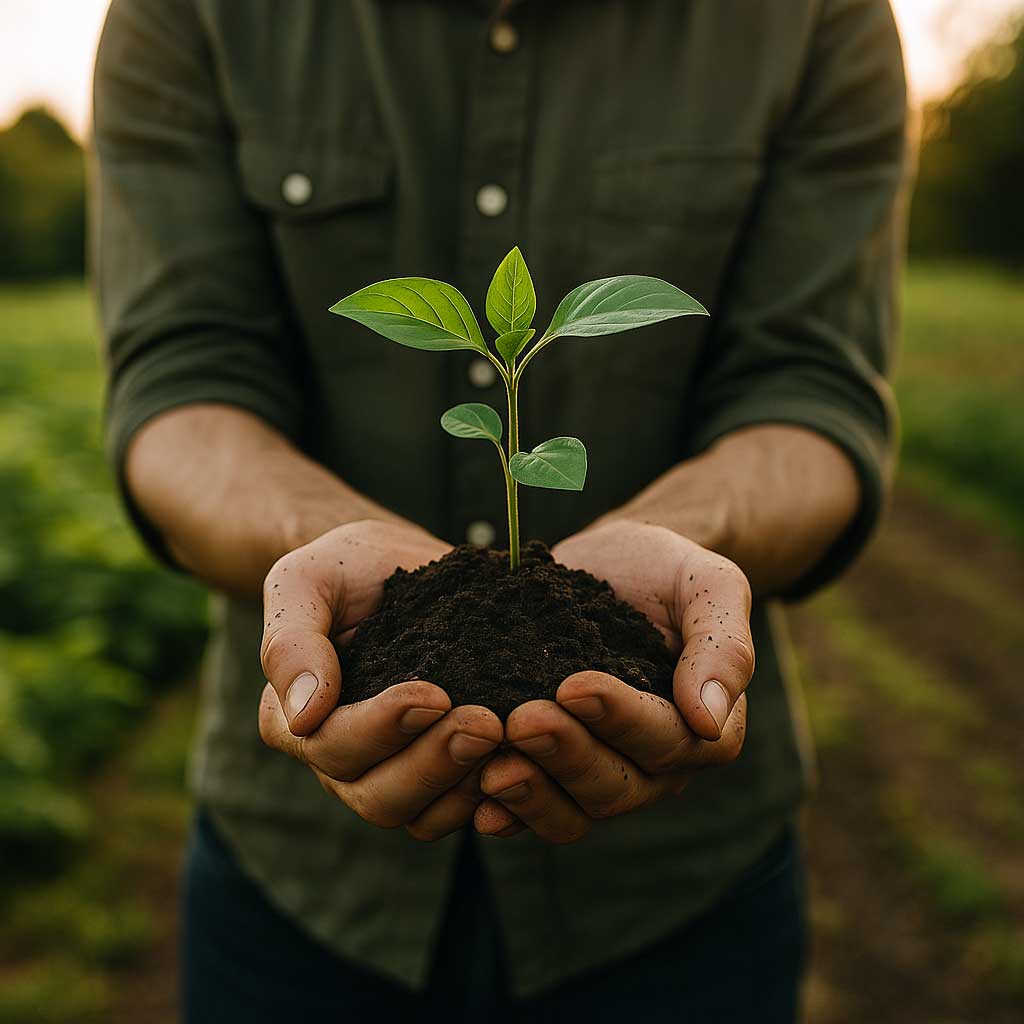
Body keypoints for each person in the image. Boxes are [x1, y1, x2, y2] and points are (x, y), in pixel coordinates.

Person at [91, 0, 909, 1020]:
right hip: (299, 882)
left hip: (675, 894)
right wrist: (325, 555)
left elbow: (812, 391)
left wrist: (682, 546)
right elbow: (182, 376)